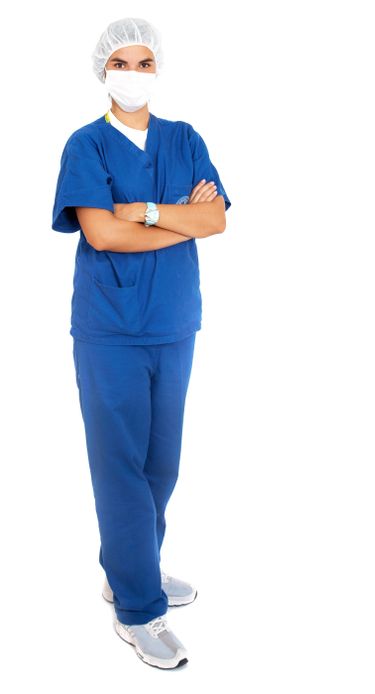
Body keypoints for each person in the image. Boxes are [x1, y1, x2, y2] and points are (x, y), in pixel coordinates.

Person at [51, 16, 231, 670]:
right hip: (111, 332)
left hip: (174, 323)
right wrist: (182, 221)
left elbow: (215, 218)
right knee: (120, 469)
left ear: (158, 70)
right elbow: (102, 234)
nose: (132, 74)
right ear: (104, 70)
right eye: (120, 63)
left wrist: (150, 212)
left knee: (161, 464)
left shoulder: (185, 140)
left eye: (143, 63)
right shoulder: (86, 147)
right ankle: (137, 608)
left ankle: (130, 568)